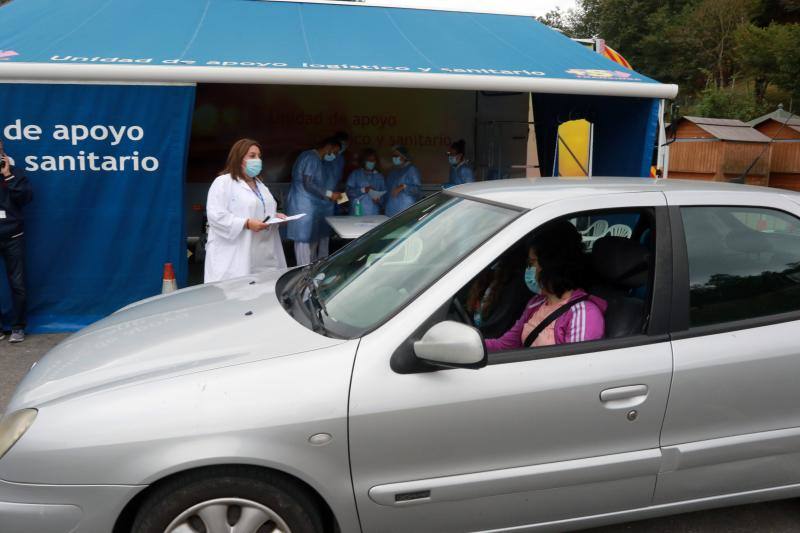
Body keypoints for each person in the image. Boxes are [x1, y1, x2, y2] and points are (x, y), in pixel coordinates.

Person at [485, 219, 607, 352]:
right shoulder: (536, 304)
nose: (528, 270)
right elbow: (505, 345)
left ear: (550, 265)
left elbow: (576, 368)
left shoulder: (583, 313)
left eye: (532, 263)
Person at [204, 139, 287, 283]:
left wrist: (275, 217)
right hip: (235, 256)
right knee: (237, 294)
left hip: (264, 253)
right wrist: (246, 223)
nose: (258, 160)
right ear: (238, 158)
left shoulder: (260, 185)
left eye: (259, 156)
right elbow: (216, 216)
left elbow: (262, 211)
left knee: (263, 292)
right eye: (252, 156)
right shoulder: (223, 182)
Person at [286, 138, 343, 265]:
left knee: (311, 238)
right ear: (328, 146)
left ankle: (309, 270)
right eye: (335, 151)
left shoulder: (315, 159)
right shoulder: (311, 158)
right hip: (302, 204)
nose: (335, 155)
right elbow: (308, 184)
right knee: (303, 239)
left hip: (309, 203)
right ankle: (303, 271)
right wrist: (329, 194)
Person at [0, 140, 33, 343]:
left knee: (18, 284)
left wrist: (8, 176)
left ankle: (18, 327)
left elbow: (26, 198)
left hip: (13, 237)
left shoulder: (16, 173)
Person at [320, 131, 350, 256]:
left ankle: (324, 258)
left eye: (345, 145)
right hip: (320, 197)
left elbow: (338, 181)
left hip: (333, 197)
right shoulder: (323, 159)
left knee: (326, 231)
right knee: (316, 232)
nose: (343, 148)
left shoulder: (341, 159)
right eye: (341, 145)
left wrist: (343, 200)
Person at [346, 148, 386, 216]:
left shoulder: (379, 177)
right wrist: (363, 190)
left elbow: (384, 194)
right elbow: (348, 192)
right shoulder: (356, 174)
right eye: (369, 160)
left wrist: (379, 200)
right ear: (364, 161)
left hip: (373, 211)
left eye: (373, 160)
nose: (371, 162)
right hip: (357, 210)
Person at [384, 145, 422, 217]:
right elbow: (387, 191)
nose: (394, 158)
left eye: (396, 155)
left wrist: (404, 186)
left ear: (404, 156)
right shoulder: (393, 172)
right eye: (393, 156)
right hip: (391, 211)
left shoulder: (411, 170)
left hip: (406, 210)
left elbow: (417, 190)